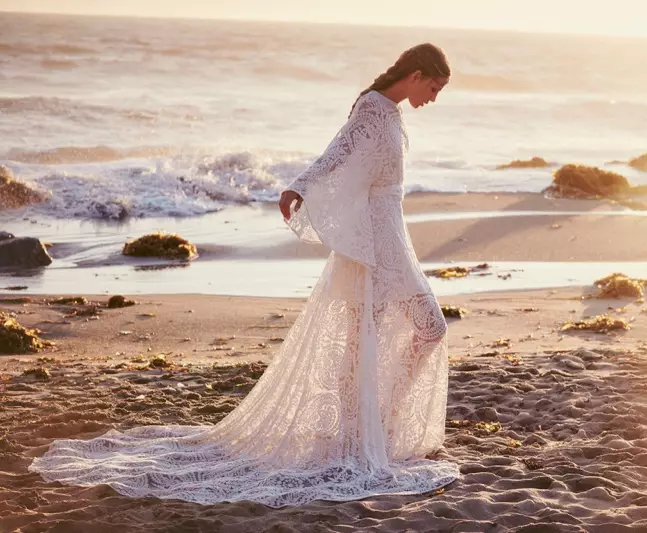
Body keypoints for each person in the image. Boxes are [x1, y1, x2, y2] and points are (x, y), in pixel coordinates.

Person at [28, 42, 459, 508]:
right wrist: (299, 186)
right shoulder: (373, 109)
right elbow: (336, 153)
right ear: (416, 74)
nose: (433, 97)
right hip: (375, 244)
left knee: (416, 330)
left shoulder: (392, 113)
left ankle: (374, 425)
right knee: (378, 335)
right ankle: (366, 431)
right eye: (433, 87)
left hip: (391, 240)